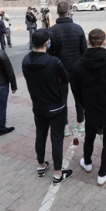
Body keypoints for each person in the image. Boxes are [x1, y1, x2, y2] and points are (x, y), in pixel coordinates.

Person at [71, 29, 106, 186]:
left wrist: (84, 103)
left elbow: (75, 89)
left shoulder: (79, 64)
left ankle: (87, 162)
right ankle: (102, 173)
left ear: (89, 42)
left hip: (90, 108)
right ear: (105, 42)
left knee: (89, 136)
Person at [22, 29, 72, 185]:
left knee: (40, 135)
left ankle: (41, 165)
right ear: (46, 43)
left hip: (38, 105)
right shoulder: (53, 61)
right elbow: (66, 79)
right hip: (55, 106)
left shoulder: (25, 60)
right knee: (56, 139)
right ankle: (58, 173)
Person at [47, 1, 87, 135]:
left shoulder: (51, 31)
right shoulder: (78, 28)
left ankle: (64, 126)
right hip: (77, 70)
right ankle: (81, 123)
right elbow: (84, 52)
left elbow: (49, 54)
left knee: (61, 99)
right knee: (79, 98)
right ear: (69, 12)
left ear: (57, 12)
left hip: (59, 71)